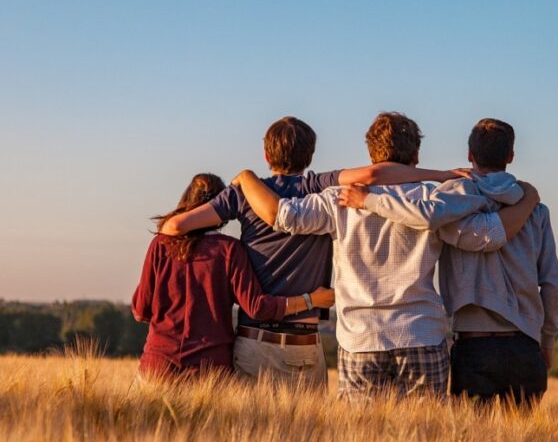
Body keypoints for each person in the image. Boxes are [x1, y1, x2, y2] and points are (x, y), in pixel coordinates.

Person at [235, 112, 539, 400]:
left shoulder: (338, 199)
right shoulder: (434, 199)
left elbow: (283, 217)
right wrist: (527, 200)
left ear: (371, 155)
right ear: (416, 156)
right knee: (426, 440)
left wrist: (247, 178)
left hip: (361, 338)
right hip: (421, 334)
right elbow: (487, 236)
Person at [158, 116, 470, 387]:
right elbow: (375, 175)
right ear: (311, 155)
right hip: (305, 343)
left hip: (254, 340)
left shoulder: (243, 193)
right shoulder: (318, 186)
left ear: (266, 155)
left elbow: (173, 228)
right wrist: (440, 175)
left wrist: (226, 237)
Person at [339, 118, 558, 408]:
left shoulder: (450, 201)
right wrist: (547, 341)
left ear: (470, 155)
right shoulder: (535, 210)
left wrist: (370, 200)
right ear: (511, 156)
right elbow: (553, 283)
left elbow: (426, 216)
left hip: (473, 347)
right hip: (525, 345)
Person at [131, 173, 334, 379]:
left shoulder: (160, 245)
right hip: (209, 370)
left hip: (157, 366)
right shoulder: (229, 250)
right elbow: (258, 308)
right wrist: (311, 300)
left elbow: (141, 311)